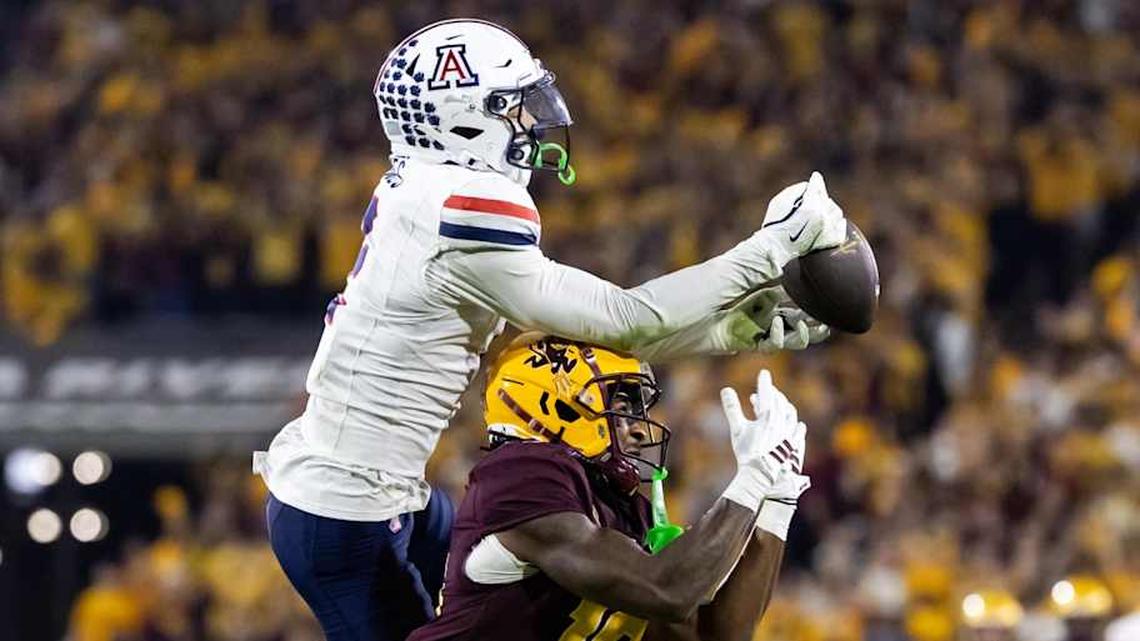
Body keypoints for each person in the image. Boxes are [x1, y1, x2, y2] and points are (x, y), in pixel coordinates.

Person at [255, 17, 844, 641]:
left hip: (381, 492)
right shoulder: (458, 207)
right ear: (462, 120)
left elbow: (603, 335)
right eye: (512, 107)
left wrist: (732, 331)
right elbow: (628, 319)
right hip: (343, 514)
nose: (533, 123)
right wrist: (770, 249)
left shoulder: (430, 195)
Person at [409, 335, 811, 641]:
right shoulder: (522, 474)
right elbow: (667, 589)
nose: (639, 427)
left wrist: (777, 498)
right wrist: (752, 476)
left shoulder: (618, 506)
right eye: (622, 405)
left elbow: (716, 634)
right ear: (556, 402)